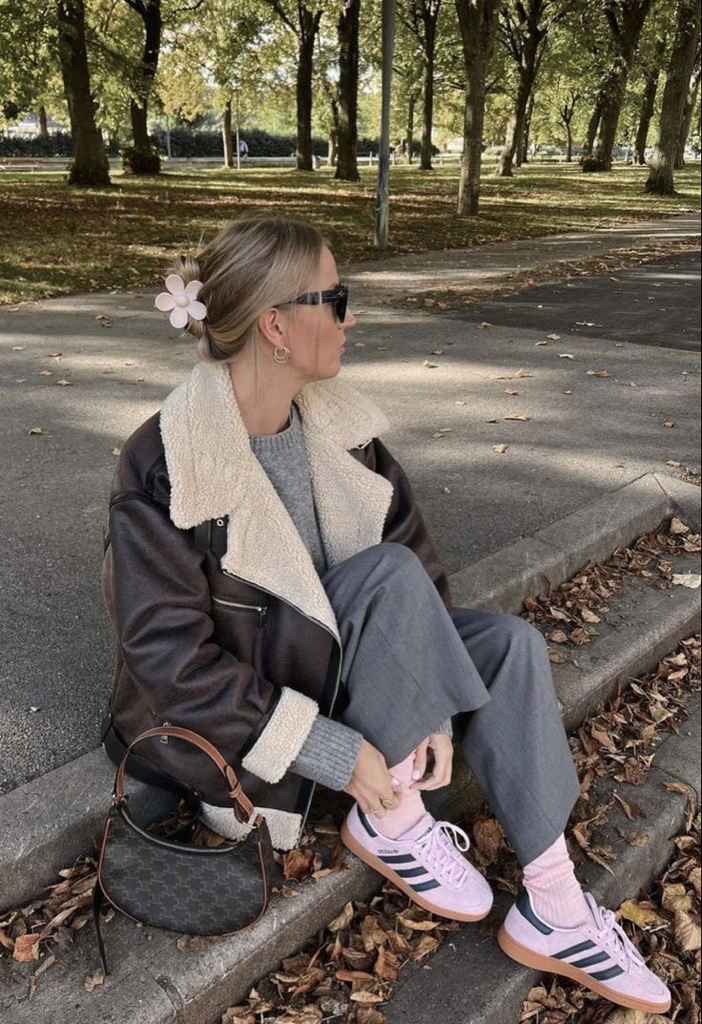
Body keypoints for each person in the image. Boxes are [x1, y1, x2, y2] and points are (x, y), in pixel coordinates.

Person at [100, 214, 670, 1015]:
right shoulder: (168, 459)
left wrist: (429, 709)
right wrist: (341, 756)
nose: (350, 316)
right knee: (386, 573)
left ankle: (555, 903)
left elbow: (418, 570)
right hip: (249, 727)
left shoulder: (342, 429)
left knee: (509, 646)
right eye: (335, 299)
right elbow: (169, 662)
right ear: (275, 326)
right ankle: (392, 815)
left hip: (343, 664)